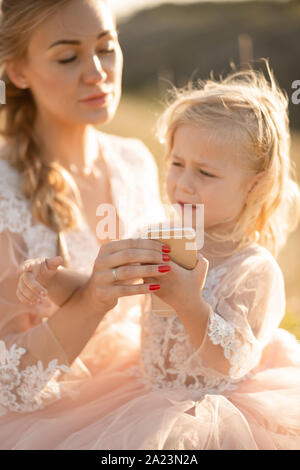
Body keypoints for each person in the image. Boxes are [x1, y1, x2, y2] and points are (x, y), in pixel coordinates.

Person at [11, 61, 300, 450]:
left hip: (209, 412)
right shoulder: (159, 235)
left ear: (254, 184)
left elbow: (232, 359)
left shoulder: (252, 269)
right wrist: (54, 279)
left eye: (206, 174)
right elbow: (110, 289)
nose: (183, 184)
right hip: (138, 391)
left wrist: (188, 302)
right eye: (177, 164)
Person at [0, 0, 169, 443]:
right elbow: (9, 378)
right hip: (58, 414)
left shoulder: (135, 160)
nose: (96, 72)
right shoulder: (4, 187)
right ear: (18, 71)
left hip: (150, 383)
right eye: (67, 56)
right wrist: (91, 300)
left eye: (107, 48)